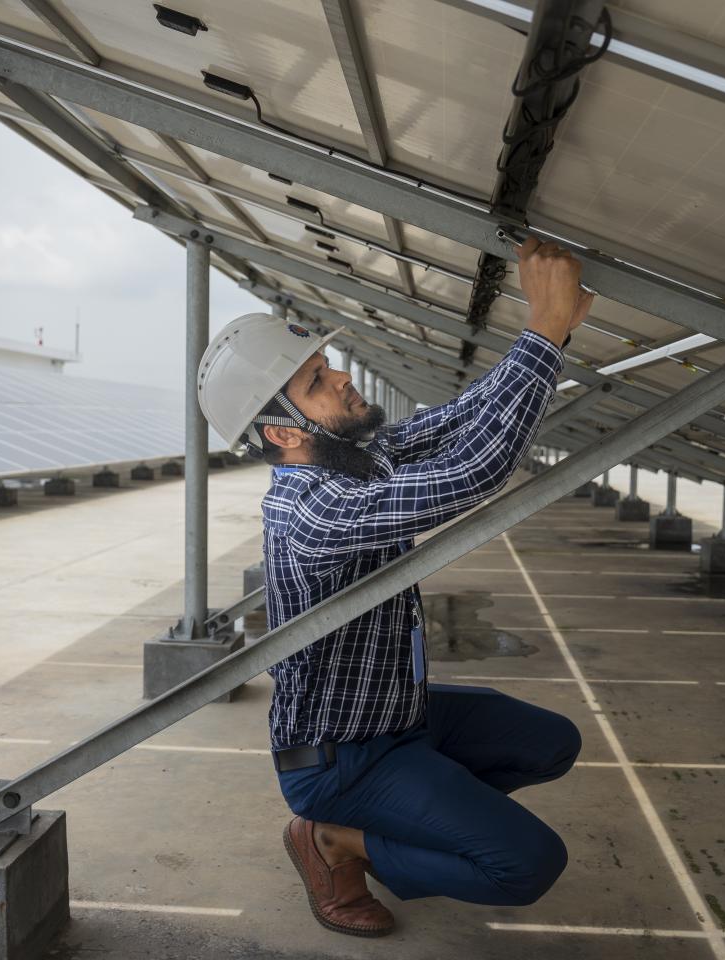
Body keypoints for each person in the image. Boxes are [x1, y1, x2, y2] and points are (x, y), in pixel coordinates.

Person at [195, 238, 591, 936]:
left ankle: (416, 814)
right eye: (318, 382)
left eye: (325, 365)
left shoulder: (351, 460)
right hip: (342, 755)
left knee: (550, 743)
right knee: (527, 863)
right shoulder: (314, 509)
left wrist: (546, 338)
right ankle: (337, 839)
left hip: (398, 715)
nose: (342, 377)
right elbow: (470, 473)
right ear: (284, 435)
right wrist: (546, 332)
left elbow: (457, 420)